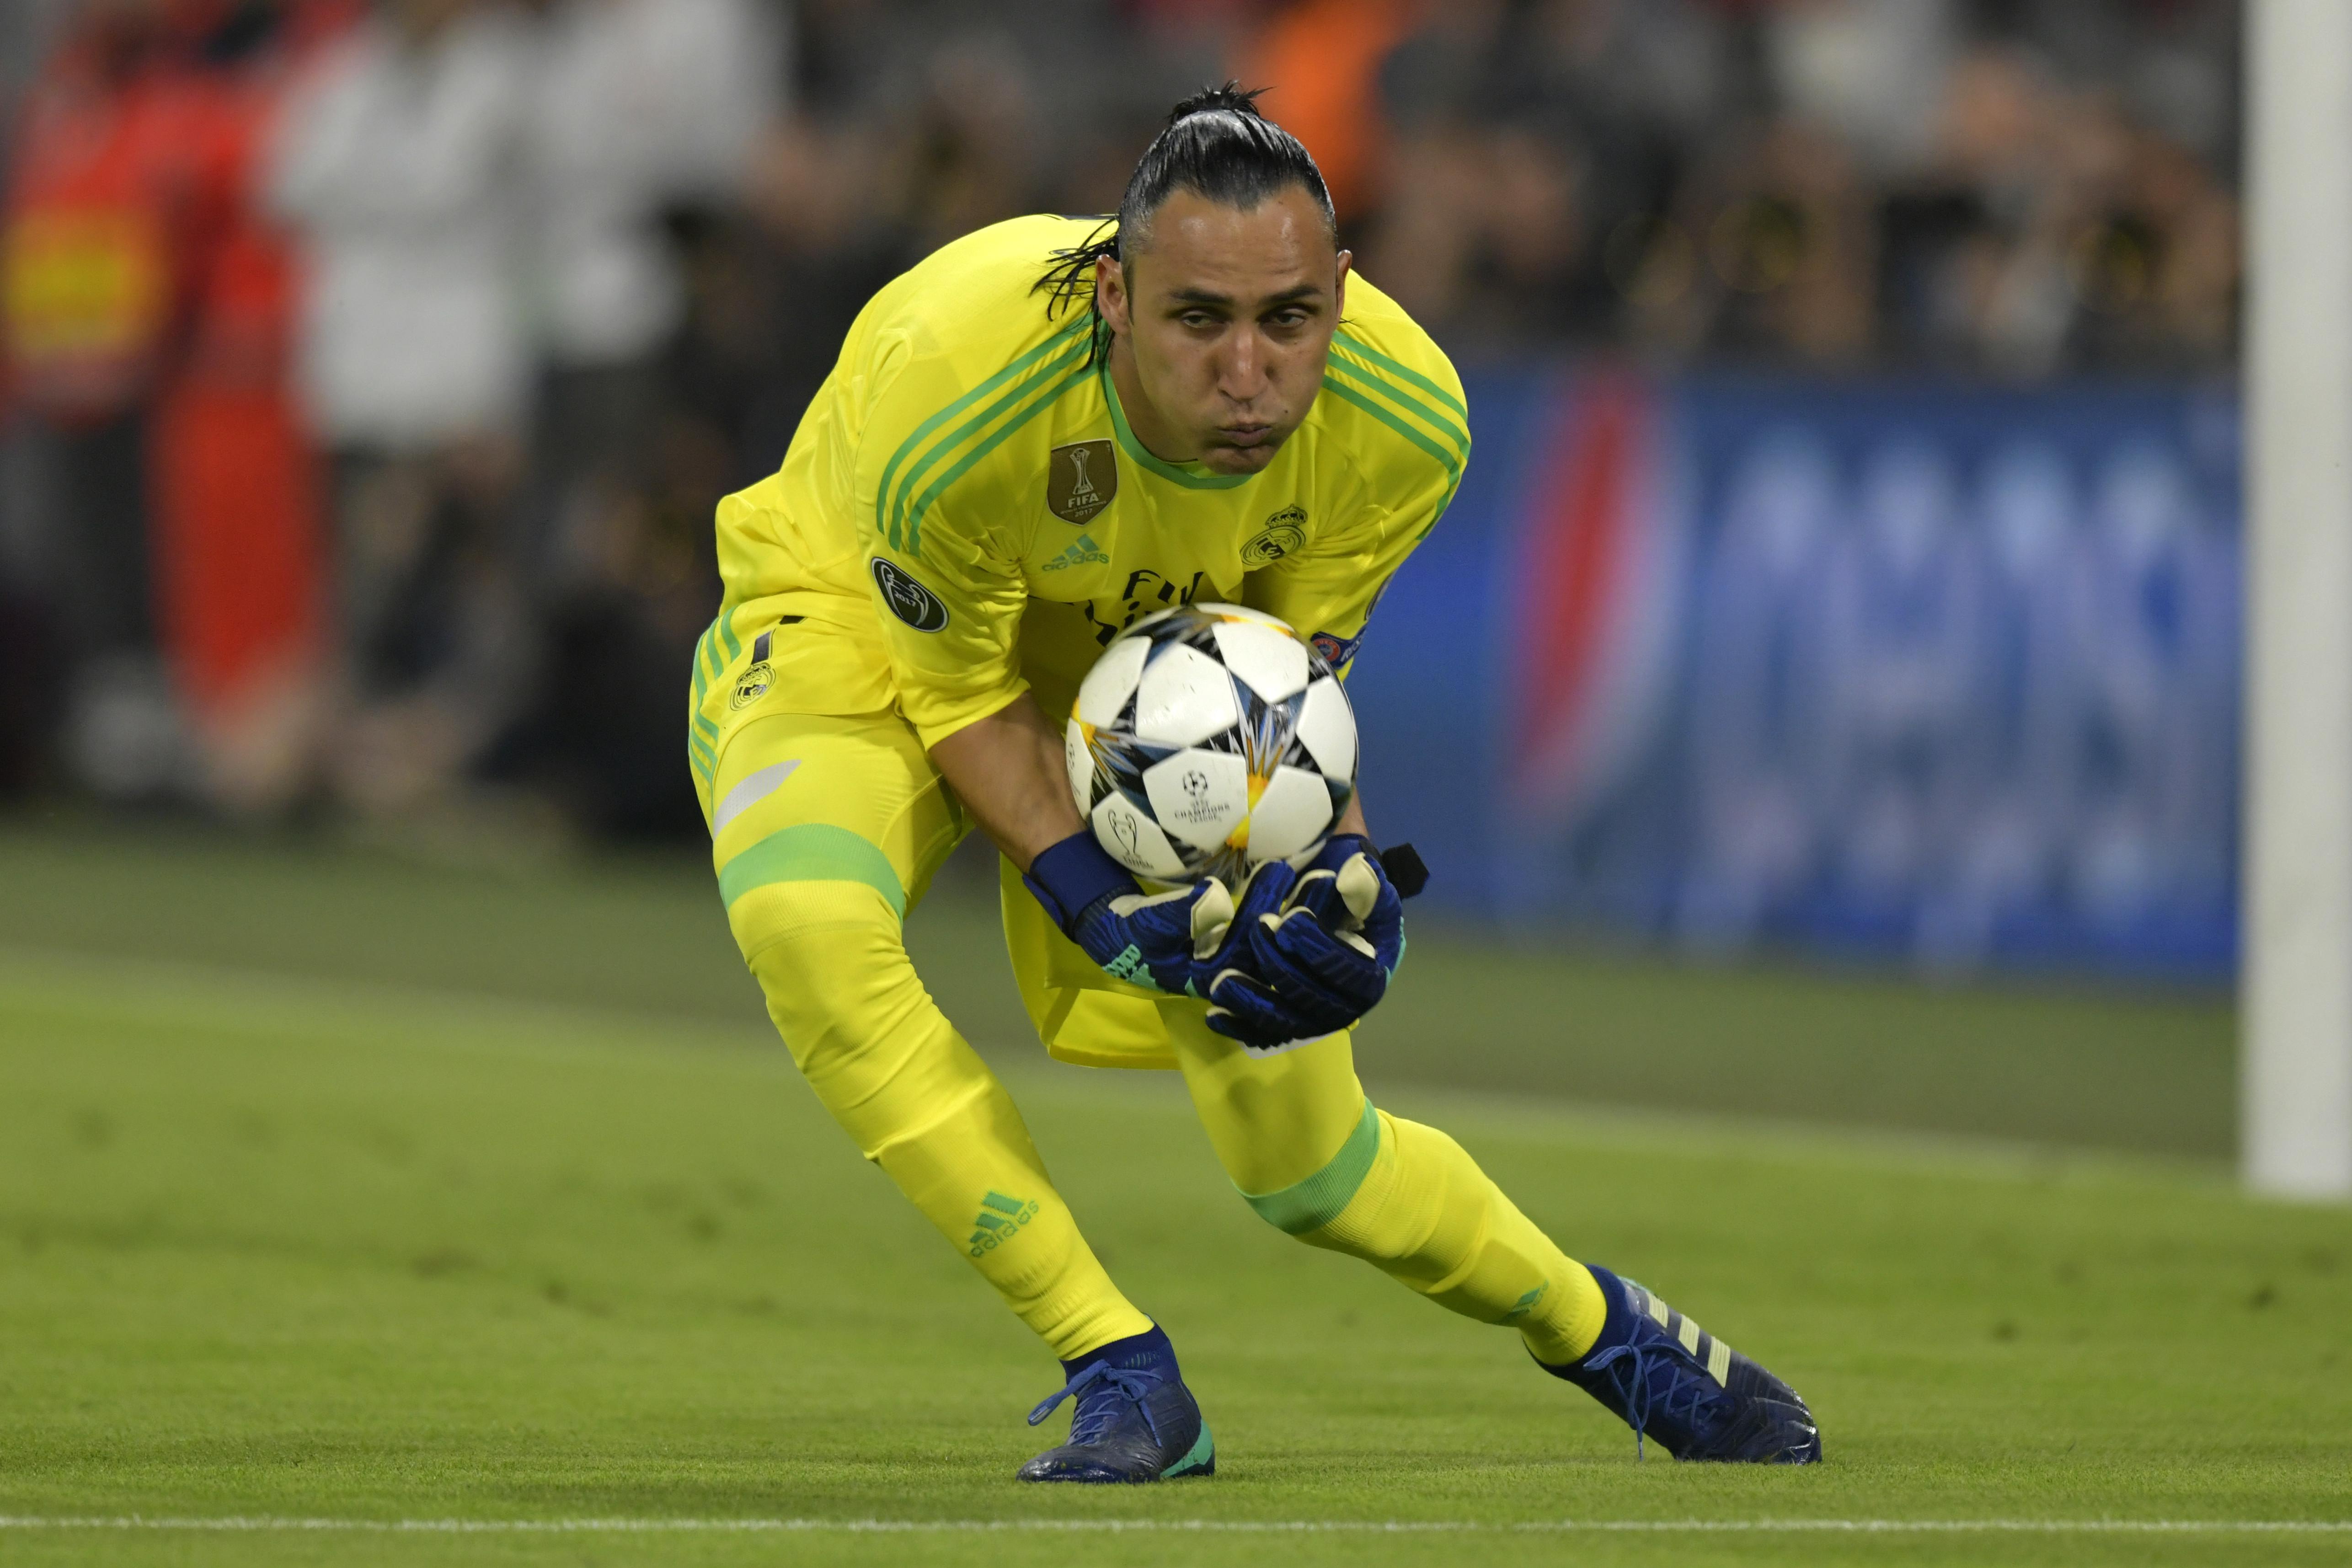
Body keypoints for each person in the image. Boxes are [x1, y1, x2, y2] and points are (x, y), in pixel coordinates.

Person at [690, 85, 1821, 1481]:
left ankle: (1608, 1334)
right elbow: (963, 697)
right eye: (1198, 320)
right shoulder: (962, 389)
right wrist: (1094, 900)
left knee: (1311, 1169)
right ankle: (1119, 1369)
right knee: (809, 922)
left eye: (1289, 320)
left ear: (1340, 292)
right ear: (1113, 297)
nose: (1249, 374)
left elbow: (1279, 690)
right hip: (857, 616)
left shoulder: (1405, 422)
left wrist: (1343, 879)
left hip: (1153, 674)